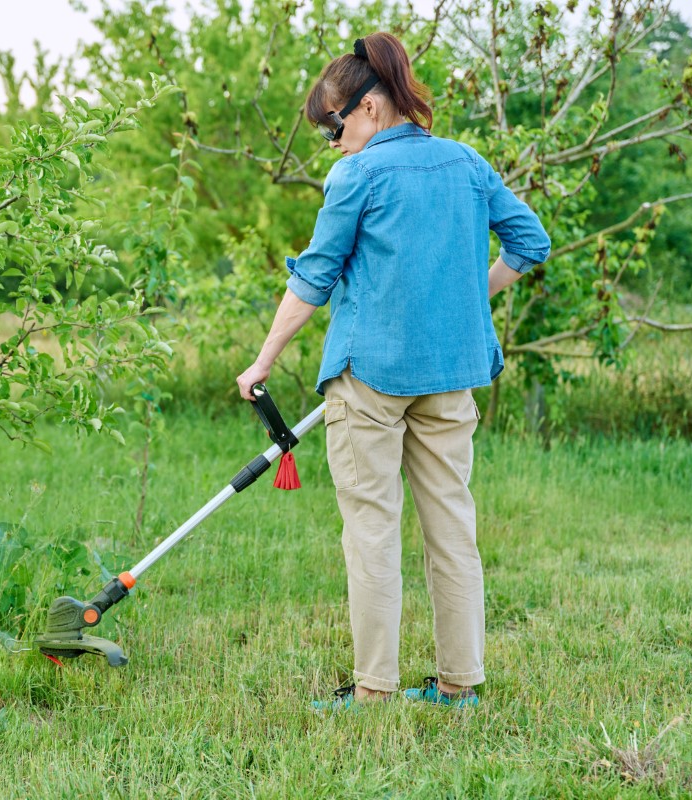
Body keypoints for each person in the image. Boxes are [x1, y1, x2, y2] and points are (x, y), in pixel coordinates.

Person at [235, 32, 551, 711]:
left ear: (370, 108)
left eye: (334, 127)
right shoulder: (466, 164)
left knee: (373, 531)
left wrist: (262, 362)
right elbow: (531, 242)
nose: (334, 143)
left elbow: (314, 278)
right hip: (451, 377)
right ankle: (459, 686)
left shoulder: (359, 175)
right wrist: (469, 296)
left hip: (370, 378)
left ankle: (376, 690)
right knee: (452, 528)